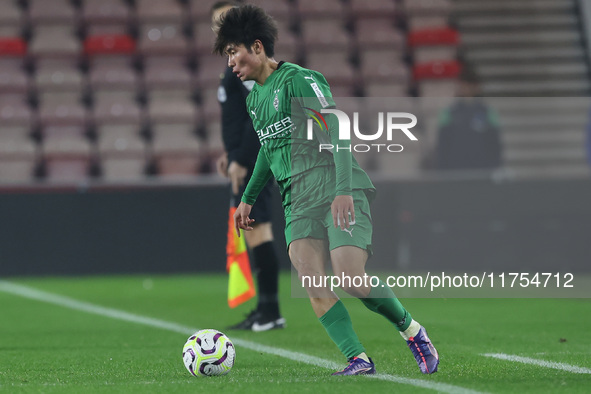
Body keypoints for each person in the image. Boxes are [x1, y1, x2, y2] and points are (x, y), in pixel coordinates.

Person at [214, 4, 439, 375]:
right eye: (226, 57)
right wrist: (248, 199)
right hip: (296, 199)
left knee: (351, 277)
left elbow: (337, 128)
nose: (231, 63)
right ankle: (358, 359)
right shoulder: (254, 100)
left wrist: (343, 189)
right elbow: (270, 152)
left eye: (233, 52)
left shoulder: (300, 79)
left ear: (256, 47)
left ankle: (412, 331)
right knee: (311, 280)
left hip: (332, 182)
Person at [211, 1, 285, 332]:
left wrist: (241, 156)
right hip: (244, 156)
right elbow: (238, 117)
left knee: (259, 232)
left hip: (257, 159)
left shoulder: (249, 71)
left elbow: (258, 120)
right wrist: (230, 152)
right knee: (254, 232)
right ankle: (265, 309)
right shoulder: (232, 69)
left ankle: (270, 310)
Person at [434, 66, 503, 171]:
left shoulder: (488, 112)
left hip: (482, 170)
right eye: (463, 85)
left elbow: (495, 144)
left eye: (469, 85)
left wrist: (496, 167)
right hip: (455, 170)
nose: (466, 88)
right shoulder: (449, 113)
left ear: (477, 87)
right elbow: (442, 144)